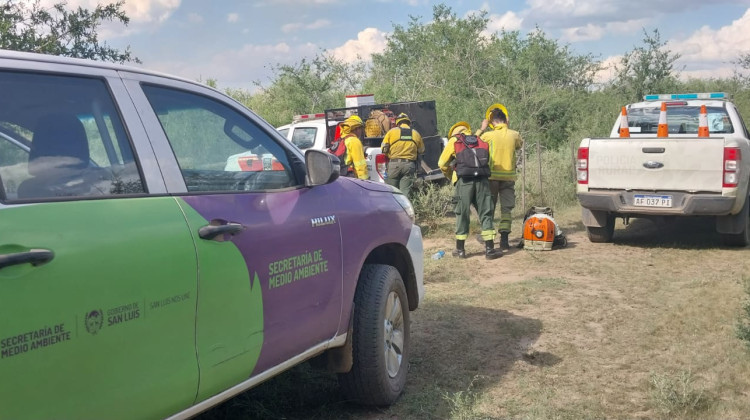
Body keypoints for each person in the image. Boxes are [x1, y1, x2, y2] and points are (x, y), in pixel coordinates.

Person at [438, 121, 502, 260]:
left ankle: (460, 250)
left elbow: (442, 163)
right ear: (467, 130)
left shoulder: (455, 141)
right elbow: (488, 162)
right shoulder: (480, 140)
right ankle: (490, 250)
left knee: (462, 213)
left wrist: (451, 176)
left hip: (464, 182)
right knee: (486, 212)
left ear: (454, 133)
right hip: (483, 181)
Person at [476, 103, 523, 250]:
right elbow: (518, 145)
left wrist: (481, 129)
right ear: (505, 120)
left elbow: (471, 142)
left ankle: (488, 239)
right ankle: (504, 240)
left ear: (492, 122)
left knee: (488, 209)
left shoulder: (488, 135)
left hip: (491, 178)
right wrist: (508, 127)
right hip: (509, 178)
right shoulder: (514, 135)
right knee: (506, 210)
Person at [381, 112, 424, 197]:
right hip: (409, 165)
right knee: (405, 192)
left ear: (398, 123)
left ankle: (393, 209)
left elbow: (383, 149)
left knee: (392, 192)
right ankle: (405, 209)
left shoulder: (391, 132)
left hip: (394, 165)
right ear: (408, 123)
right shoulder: (416, 133)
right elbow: (421, 150)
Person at [328, 115, 368, 180]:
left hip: (339, 176)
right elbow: (360, 166)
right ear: (356, 128)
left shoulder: (341, 139)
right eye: (360, 128)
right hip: (350, 177)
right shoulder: (354, 141)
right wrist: (365, 182)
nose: (361, 131)